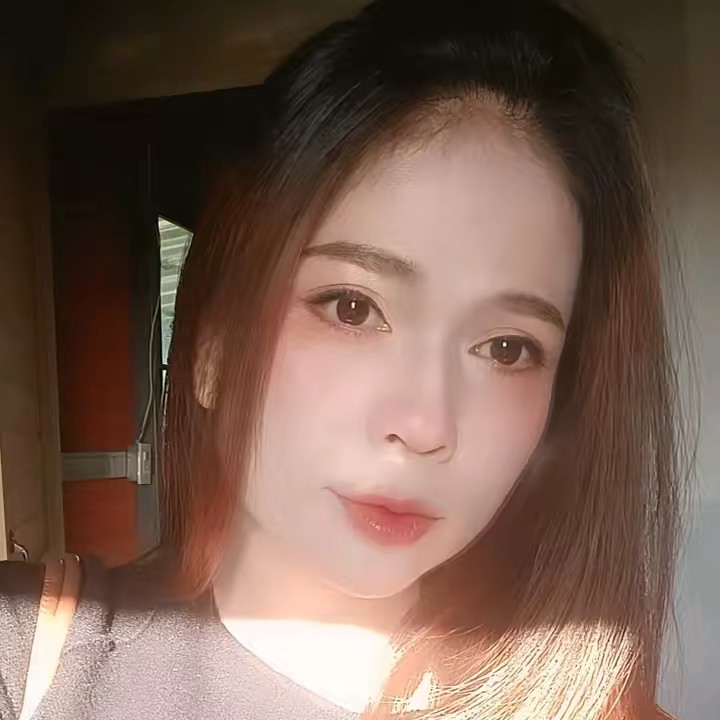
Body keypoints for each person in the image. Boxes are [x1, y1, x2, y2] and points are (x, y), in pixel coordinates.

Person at [0, 0, 686, 718]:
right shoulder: (28, 658)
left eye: (507, 348)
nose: (424, 425)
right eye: (351, 307)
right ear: (211, 349)